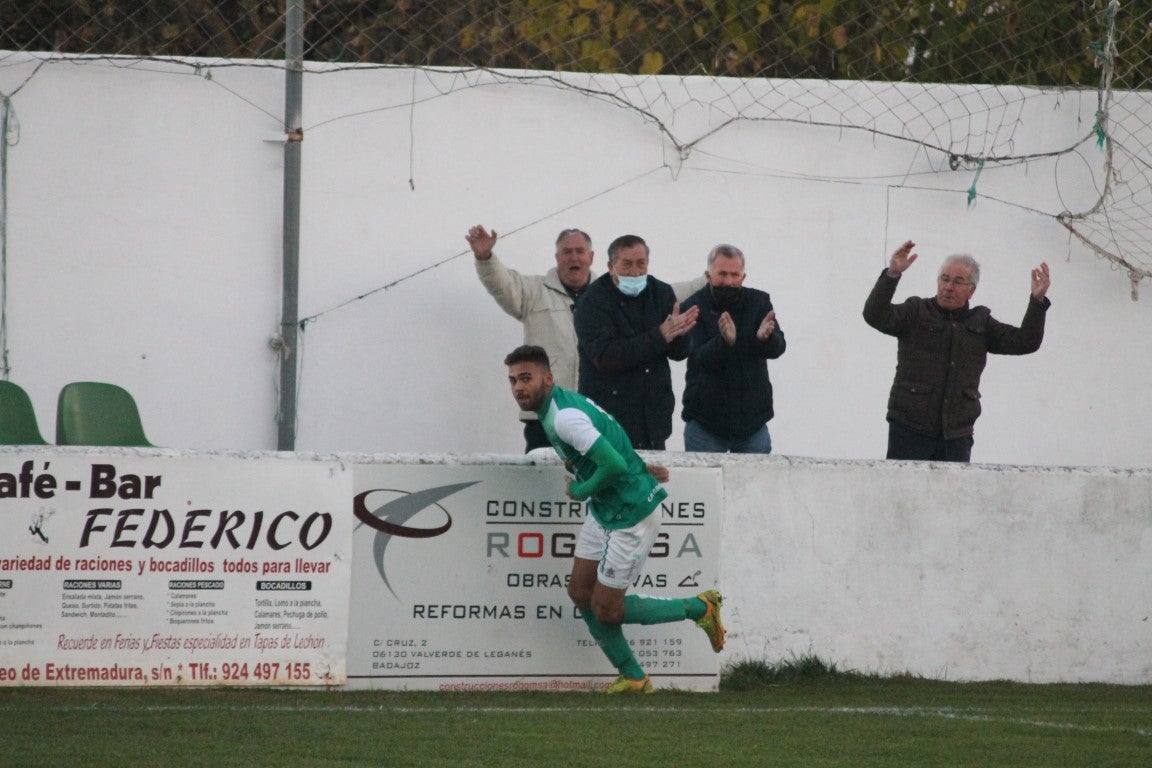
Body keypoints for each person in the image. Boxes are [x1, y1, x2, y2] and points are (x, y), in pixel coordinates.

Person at [504, 344, 724, 693]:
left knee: (607, 609)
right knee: (580, 592)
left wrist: (581, 490)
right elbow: (608, 437)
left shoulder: (563, 417)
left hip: (630, 512)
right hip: (606, 507)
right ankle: (634, 678)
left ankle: (700, 607)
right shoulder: (556, 407)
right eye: (513, 380)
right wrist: (638, 466)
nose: (518, 387)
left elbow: (613, 464)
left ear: (548, 378)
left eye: (526, 378)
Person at [863, 240, 1051, 462]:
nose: (948, 287)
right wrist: (892, 274)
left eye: (958, 281)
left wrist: (1037, 301)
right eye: (944, 279)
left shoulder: (981, 322)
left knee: (954, 487)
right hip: (909, 430)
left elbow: (1025, 342)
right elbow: (875, 315)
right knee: (904, 486)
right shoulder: (916, 312)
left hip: (956, 437)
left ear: (972, 290)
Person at [468, 225, 597, 451]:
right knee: (543, 471)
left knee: (597, 472)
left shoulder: (607, 295)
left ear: (591, 257)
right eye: (567, 252)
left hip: (593, 414)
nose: (574, 257)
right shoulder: (534, 291)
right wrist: (485, 257)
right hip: (546, 413)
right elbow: (503, 284)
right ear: (557, 257)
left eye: (580, 251)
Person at [574, 234, 699, 450]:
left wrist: (680, 334)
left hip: (654, 422)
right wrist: (660, 336)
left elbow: (678, 354)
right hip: (608, 422)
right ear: (610, 267)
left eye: (641, 263)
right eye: (627, 264)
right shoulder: (592, 302)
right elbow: (605, 357)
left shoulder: (661, 293)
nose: (635, 272)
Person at [680, 244, 786, 453]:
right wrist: (724, 342)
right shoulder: (693, 306)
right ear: (708, 275)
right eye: (722, 274)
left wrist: (765, 339)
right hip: (705, 425)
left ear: (743, 277)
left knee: (756, 476)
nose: (728, 281)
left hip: (752, 426)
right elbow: (698, 358)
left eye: (734, 275)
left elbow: (779, 347)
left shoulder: (759, 302)